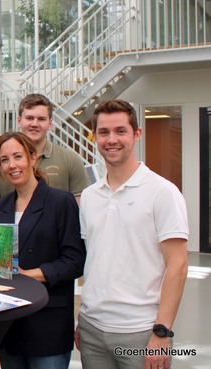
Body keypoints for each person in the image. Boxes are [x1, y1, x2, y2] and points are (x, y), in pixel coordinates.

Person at [75, 99, 189, 369]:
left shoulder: (162, 192)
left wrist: (162, 332)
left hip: (141, 331)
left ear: (137, 134)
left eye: (120, 131)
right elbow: (96, 260)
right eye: (104, 132)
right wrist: (82, 319)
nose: (112, 140)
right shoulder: (89, 196)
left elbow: (178, 265)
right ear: (94, 137)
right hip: (92, 329)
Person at [0, 131, 86, 369]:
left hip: (47, 321)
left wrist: (27, 275)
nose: (12, 165)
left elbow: (74, 261)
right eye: (4, 160)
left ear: (33, 157)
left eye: (18, 156)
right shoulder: (1, 206)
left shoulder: (60, 202)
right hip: (9, 322)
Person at [0, 93, 89, 223]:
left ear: (50, 123)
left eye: (41, 119)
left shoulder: (70, 160)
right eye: (29, 118)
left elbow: (79, 214)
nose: (34, 124)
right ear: (19, 121)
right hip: (8, 234)